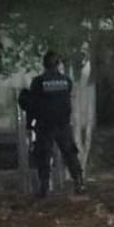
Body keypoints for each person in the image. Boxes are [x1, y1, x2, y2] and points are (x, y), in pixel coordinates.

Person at [28, 50, 85, 197]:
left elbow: (32, 104)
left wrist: (30, 123)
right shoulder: (66, 81)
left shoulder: (38, 82)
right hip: (63, 124)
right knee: (70, 154)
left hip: (45, 125)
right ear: (58, 65)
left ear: (44, 64)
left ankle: (44, 187)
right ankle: (79, 181)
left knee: (44, 156)